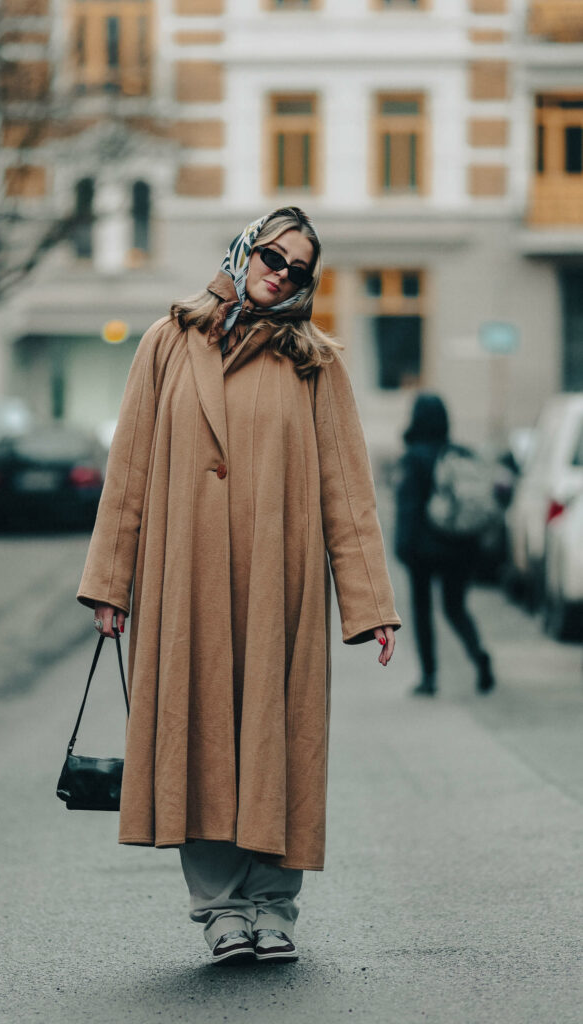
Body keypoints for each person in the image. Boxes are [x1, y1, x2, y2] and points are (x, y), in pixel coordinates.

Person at [77, 206, 401, 964]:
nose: (280, 272)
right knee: (200, 736)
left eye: (297, 268)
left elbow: (345, 491)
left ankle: (274, 905)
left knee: (276, 735)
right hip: (185, 578)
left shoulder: (315, 362)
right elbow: (126, 476)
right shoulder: (166, 345)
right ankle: (221, 907)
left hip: (278, 585)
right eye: (271, 255)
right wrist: (109, 584)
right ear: (242, 250)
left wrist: (371, 604)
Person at [394, 393, 495, 697]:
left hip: (424, 549)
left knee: (422, 610)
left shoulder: (414, 457)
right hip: (461, 545)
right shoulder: (458, 452)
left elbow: (409, 507)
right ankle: (479, 656)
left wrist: (402, 547)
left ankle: (429, 676)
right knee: (455, 607)